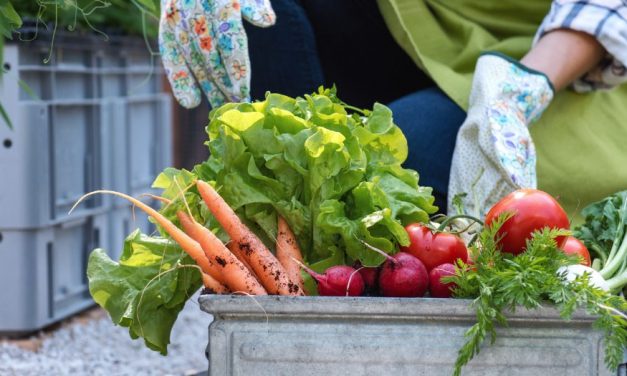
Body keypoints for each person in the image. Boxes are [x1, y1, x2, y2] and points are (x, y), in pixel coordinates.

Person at [158, 0, 627, 221]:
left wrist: (524, 88)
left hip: (553, 62)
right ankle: (286, 264)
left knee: (399, 169)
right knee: (256, 13)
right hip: (397, 26)